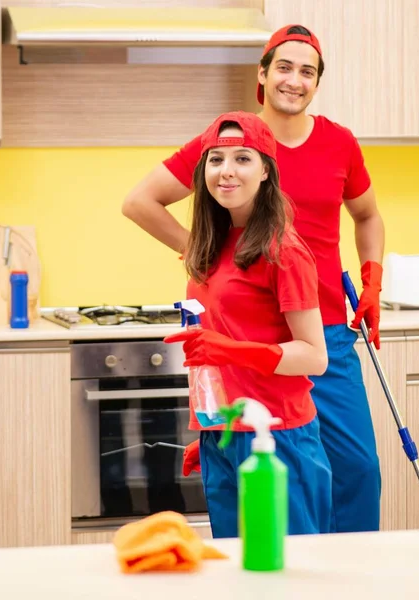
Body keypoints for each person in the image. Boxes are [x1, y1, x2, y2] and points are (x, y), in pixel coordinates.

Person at [123, 24, 385, 533]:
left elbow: (368, 216)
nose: (294, 80)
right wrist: (208, 253)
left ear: (316, 83)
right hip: (250, 333)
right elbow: (139, 201)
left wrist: (373, 281)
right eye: (283, 67)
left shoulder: (338, 144)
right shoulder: (228, 140)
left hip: (322, 330)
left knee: (356, 470)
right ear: (261, 76)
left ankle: (349, 573)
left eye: (307, 71)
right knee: (258, 485)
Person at [164, 111, 332, 539]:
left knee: (289, 573)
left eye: (242, 158)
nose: (226, 171)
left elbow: (314, 356)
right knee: (240, 575)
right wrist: (214, 431)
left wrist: (228, 350)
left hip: (278, 439)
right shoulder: (212, 245)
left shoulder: (283, 250)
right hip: (229, 435)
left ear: (265, 171)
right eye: (216, 159)